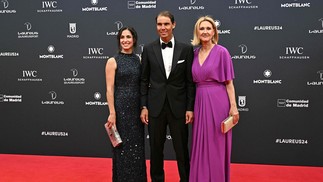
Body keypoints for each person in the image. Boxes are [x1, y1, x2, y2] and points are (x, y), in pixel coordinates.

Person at [140, 11, 195, 182]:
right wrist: (144, 106)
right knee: (156, 150)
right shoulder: (148, 49)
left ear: (173, 25)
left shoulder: (186, 49)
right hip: (155, 107)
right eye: (159, 24)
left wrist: (189, 108)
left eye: (166, 24)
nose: (163, 28)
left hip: (178, 107)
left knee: (182, 150)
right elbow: (143, 80)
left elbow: (190, 82)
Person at [189, 16, 239, 182]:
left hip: (218, 101)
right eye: (201, 28)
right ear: (197, 31)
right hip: (200, 101)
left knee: (217, 143)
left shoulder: (222, 52)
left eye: (208, 28)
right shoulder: (194, 54)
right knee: (200, 143)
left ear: (214, 32)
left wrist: (233, 106)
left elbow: (229, 84)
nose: (205, 32)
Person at [105, 26, 147, 182]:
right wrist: (112, 112)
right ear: (119, 40)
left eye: (128, 37)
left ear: (134, 40)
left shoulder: (139, 60)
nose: (125, 40)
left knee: (137, 149)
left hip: (136, 110)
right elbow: (109, 89)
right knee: (122, 148)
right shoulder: (112, 61)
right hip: (121, 108)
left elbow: (143, 86)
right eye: (122, 37)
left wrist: (144, 107)